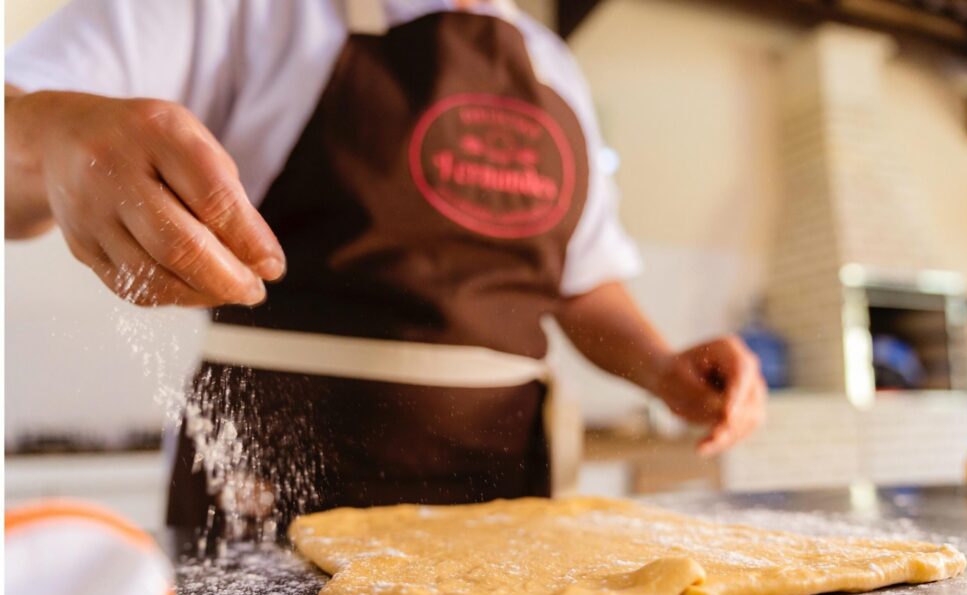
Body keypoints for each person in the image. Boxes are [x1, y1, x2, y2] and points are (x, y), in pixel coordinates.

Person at [5, 0, 766, 534]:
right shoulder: (244, 9)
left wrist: (662, 368)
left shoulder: (550, 64)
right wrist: (53, 127)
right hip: (276, 493)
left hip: (505, 499)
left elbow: (581, 286)